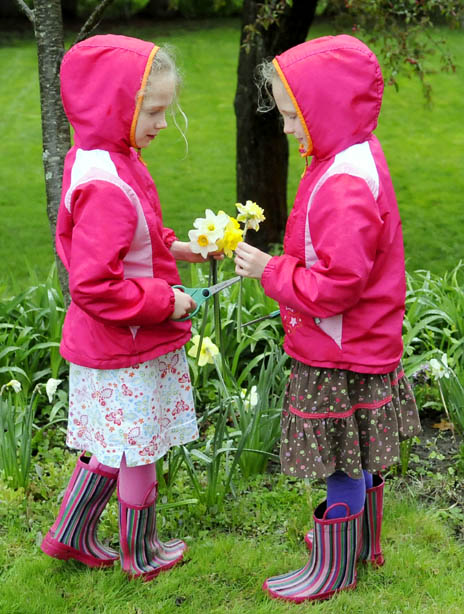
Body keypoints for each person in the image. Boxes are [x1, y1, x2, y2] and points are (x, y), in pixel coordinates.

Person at [234, 35, 422, 603]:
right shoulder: (349, 154)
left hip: (339, 347)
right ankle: (361, 546)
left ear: (327, 108)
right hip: (360, 343)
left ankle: (334, 569)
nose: (287, 128)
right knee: (355, 447)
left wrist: (270, 270)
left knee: (341, 457)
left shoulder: (343, 184)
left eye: (294, 116)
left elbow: (337, 288)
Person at [40, 34, 209, 581]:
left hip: (116, 340)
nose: (162, 124)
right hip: (126, 342)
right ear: (115, 106)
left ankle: (71, 535)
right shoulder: (106, 184)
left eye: (165, 110)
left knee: (118, 442)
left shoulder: (106, 155)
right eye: (153, 111)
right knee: (138, 448)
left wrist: (177, 248)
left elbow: (134, 235)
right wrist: (168, 301)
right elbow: (94, 285)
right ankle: (142, 553)